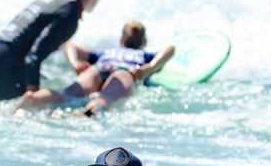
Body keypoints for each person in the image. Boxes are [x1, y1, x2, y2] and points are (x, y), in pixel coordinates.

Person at [0, 0, 109, 101]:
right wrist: (34, 98)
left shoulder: (55, 0)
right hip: (4, 75)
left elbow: (60, 41)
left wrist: (75, 64)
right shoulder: (69, 14)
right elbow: (33, 57)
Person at [17, 21, 175, 116]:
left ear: (121, 40)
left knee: (66, 93)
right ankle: (82, 115)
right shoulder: (143, 56)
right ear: (144, 41)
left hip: (101, 66)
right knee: (104, 99)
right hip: (125, 72)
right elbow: (170, 49)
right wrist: (150, 67)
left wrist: (76, 64)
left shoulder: (106, 53)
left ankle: (33, 99)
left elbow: (68, 45)